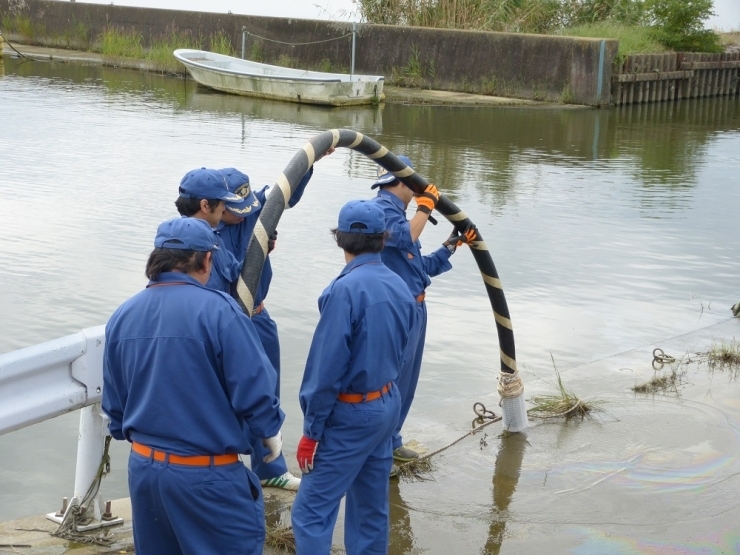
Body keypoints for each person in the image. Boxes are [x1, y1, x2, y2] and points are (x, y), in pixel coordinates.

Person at [102, 217, 285, 555]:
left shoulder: (122, 315)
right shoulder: (221, 312)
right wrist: (270, 433)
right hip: (205, 478)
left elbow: (114, 410)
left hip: (144, 472)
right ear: (207, 260)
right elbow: (257, 393)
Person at [291, 200, 416, 555]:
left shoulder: (342, 291)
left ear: (339, 239)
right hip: (386, 404)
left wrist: (312, 431)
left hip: (350, 414)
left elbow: (325, 371)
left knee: (311, 512)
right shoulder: (399, 287)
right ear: (384, 239)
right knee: (370, 507)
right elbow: (404, 354)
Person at [215, 165, 315, 491]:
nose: (241, 214)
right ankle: (222, 472)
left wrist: (310, 161)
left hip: (258, 317)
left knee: (266, 392)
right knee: (220, 398)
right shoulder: (203, 231)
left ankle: (270, 467)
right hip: (224, 325)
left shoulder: (255, 211)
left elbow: (286, 193)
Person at [371, 156, 475, 463]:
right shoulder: (381, 210)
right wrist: (426, 206)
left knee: (406, 381)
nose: (418, 190)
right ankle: (379, 452)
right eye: (415, 183)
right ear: (403, 182)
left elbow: (419, 268)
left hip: (416, 308)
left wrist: (450, 247)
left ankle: (392, 442)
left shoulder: (399, 214)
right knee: (390, 382)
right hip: (398, 312)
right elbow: (405, 236)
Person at [174, 167, 242, 293]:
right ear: (205, 205)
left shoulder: (213, 238)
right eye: (222, 203)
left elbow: (234, 271)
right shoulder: (181, 247)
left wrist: (261, 249)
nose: (224, 209)